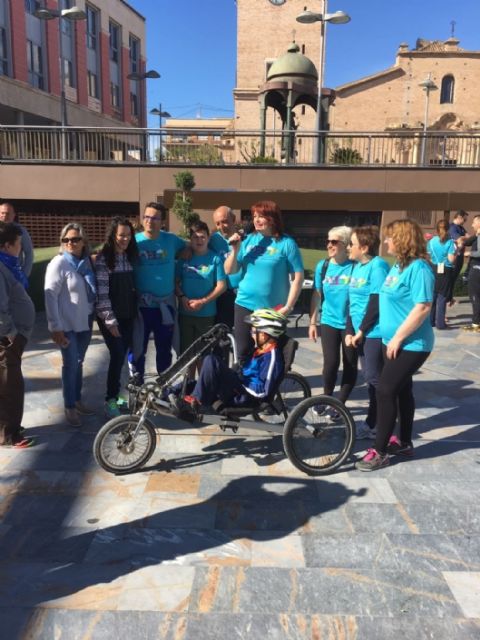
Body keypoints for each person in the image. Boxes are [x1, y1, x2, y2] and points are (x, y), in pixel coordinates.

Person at [356, 219, 434, 472]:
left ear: (402, 239)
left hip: (413, 344)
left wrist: (399, 337)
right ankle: (404, 443)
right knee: (402, 391)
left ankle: (379, 451)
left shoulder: (419, 268)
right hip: (393, 342)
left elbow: (423, 307)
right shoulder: (397, 267)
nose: (386, 241)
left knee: (385, 391)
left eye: (390, 237)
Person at [224, 201, 304, 363]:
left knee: (269, 355)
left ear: (273, 219)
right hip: (244, 304)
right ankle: (244, 387)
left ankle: (266, 387)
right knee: (243, 353)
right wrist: (235, 249)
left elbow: (298, 277)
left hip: (272, 309)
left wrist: (288, 307)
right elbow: (229, 270)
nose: (256, 220)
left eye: (261, 216)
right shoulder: (248, 240)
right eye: (254, 216)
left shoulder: (286, 243)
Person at [44, 223, 96, 427]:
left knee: (79, 362)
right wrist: (54, 326)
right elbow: (50, 295)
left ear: (83, 241)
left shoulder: (85, 263)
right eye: (66, 240)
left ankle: (76, 399)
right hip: (66, 326)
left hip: (85, 323)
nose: (70, 243)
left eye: (75, 239)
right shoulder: (58, 263)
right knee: (70, 364)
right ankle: (69, 406)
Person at [183, 309, 286, 410]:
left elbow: (262, 392)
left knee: (212, 361)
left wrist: (241, 381)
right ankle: (171, 392)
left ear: (264, 334)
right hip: (239, 386)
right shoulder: (259, 350)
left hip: (244, 396)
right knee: (194, 382)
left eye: (254, 331)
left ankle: (197, 400)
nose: (251, 334)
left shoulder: (272, 358)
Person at [130, 202, 186, 380]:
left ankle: (164, 386)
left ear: (162, 221)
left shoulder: (171, 240)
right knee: (138, 348)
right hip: (141, 306)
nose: (149, 221)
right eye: (146, 217)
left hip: (165, 305)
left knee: (164, 349)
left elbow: (189, 248)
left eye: (155, 218)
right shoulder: (134, 241)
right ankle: (136, 386)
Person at [345, 226, 389, 439]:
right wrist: (349, 329)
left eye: (351, 244)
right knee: (371, 378)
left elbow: (376, 301)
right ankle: (374, 422)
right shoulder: (356, 267)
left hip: (374, 332)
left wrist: (361, 330)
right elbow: (352, 302)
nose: (348, 247)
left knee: (375, 378)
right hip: (360, 332)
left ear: (363, 247)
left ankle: (383, 421)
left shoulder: (378, 265)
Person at [309, 226, 357, 418]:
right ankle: (327, 397)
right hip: (328, 320)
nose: (329, 245)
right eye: (328, 241)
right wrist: (313, 322)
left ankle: (339, 403)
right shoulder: (324, 266)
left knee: (350, 364)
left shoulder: (355, 267)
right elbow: (317, 294)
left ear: (345, 244)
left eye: (334, 241)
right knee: (330, 363)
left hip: (350, 323)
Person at [95, 216, 139, 418]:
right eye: (121, 235)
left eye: (128, 235)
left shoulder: (130, 256)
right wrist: (110, 321)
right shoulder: (105, 259)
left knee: (122, 356)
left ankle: (117, 395)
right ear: (113, 235)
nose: (125, 239)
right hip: (111, 318)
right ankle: (110, 399)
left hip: (128, 315)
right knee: (117, 356)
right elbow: (102, 294)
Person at [0, 222, 36, 448]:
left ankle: (10, 426)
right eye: (19, 244)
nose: (21, 248)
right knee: (10, 386)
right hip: (8, 339)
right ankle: (10, 434)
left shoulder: (9, 266)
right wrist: (11, 333)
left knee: (9, 383)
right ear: (7, 246)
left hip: (14, 336)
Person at [176, 221, 226, 359]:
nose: (199, 240)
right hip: (185, 312)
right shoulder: (185, 258)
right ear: (190, 240)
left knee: (204, 354)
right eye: (195, 237)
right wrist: (182, 298)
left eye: (202, 237)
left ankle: (201, 381)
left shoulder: (215, 259)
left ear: (208, 238)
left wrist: (203, 301)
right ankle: (189, 380)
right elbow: (175, 282)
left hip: (206, 315)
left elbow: (222, 285)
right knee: (187, 355)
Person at [208, 205, 238, 329]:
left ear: (234, 219)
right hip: (222, 294)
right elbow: (198, 245)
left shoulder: (245, 239)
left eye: (225, 221)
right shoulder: (213, 239)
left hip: (242, 294)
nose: (221, 226)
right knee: (222, 334)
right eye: (218, 223)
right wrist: (188, 249)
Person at [427, 219, 456, 330]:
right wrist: (456, 253)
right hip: (445, 270)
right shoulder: (450, 242)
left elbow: (428, 255)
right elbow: (451, 259)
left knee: (433, 296)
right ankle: (440, 323)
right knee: (442, 297)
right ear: (447, 229)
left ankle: (431, 321)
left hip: (434, 268)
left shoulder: (431, 241)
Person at [0, 201, 34, 278]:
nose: (4, 216)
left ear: (13, 215)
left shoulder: (20, 231)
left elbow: (29, 253)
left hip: (13, 274)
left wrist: (24, 275)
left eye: (7, 213)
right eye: (2, 213)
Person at [461, 214, 480, 332]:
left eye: (474, 222)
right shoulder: (477, 236)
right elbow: (468, 242)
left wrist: (468, 254)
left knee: (475, 297)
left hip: (477, 269)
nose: (472, 225)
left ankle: (476, 324)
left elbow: (479, 253)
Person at [448, 209, 469, 293]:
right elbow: (458, 239)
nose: (465, 221)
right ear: (459, 217)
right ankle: (447, 298)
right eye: (465, 219)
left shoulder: (461, 228)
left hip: (460, 255)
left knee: (455, 277)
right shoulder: (452, 227)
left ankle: (450, 297)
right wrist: (464, 237)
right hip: (454, 255)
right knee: (451, 277)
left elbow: (469, 237)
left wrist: (464, 237)